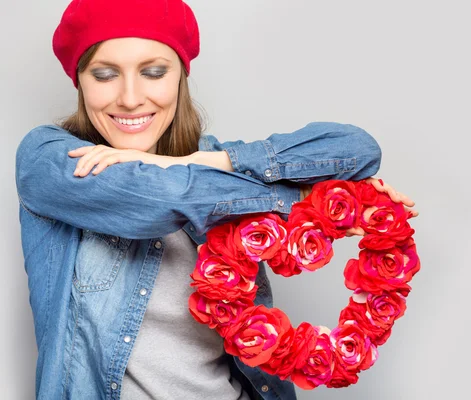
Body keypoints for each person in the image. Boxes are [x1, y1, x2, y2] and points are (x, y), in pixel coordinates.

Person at [15, 0, 418, 399]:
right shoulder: (50, 160)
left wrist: (211, 158)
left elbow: (359, 149)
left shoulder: (214, 164)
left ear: (179, 79)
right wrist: (304, 195)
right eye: (105, 75)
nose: (131, 98)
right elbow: (161, 199)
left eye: (154, 72)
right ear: (80, 81)